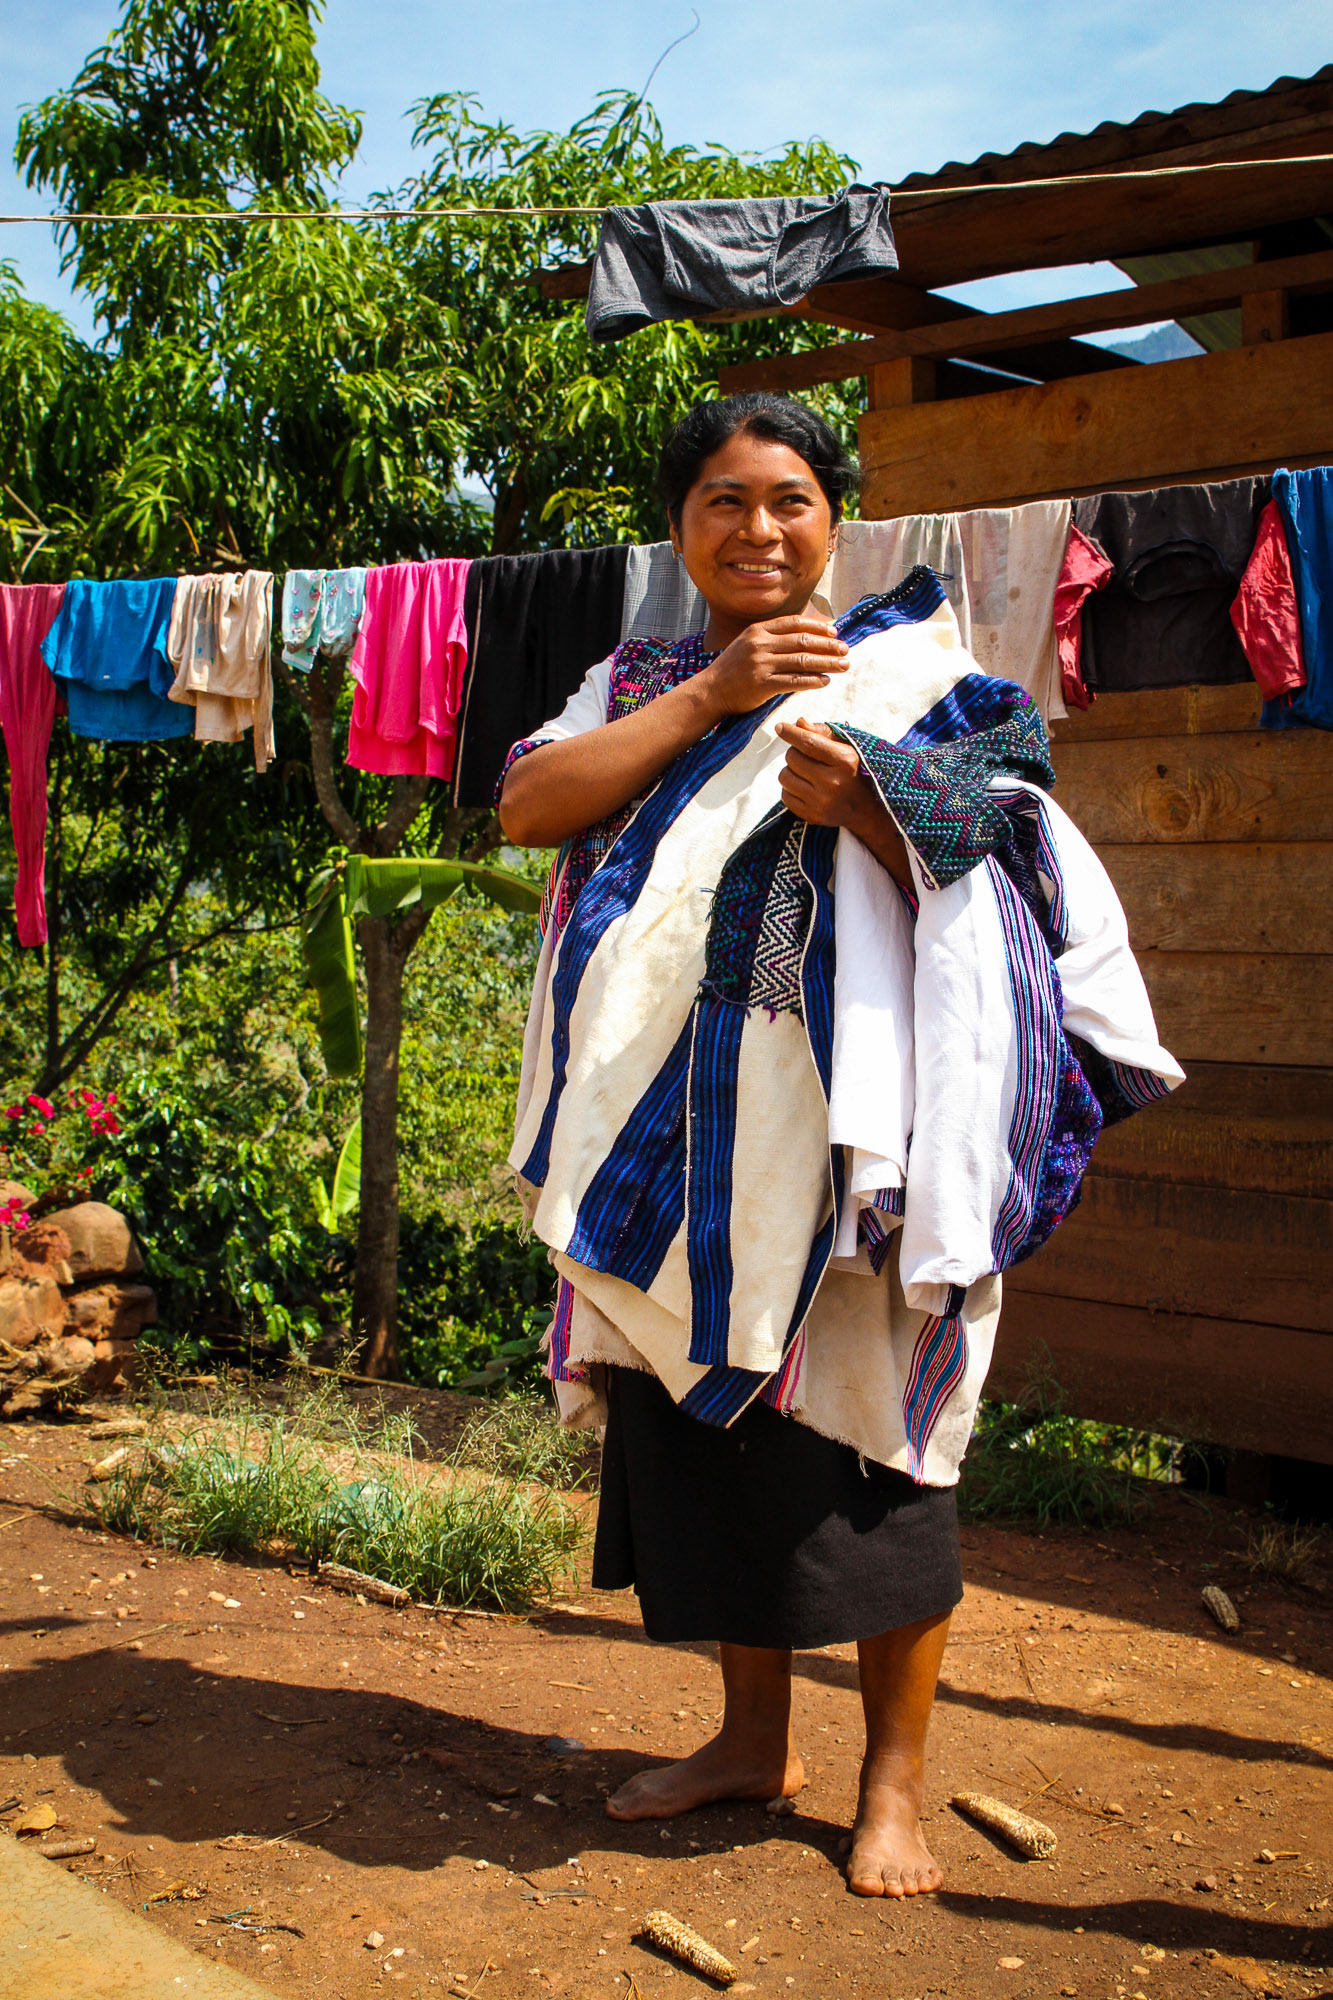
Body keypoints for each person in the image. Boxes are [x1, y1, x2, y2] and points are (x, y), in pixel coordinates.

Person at [498, 393, 1180, 1897]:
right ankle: (751, 1742)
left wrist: (875, 807)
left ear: (833, 520)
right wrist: (710, 699)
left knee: (878, 1446)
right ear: (680, 526)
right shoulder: (637, 679)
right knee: (706, 1439)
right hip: (673, 1143)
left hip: (856, 1143)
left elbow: (1024, 872)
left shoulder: (927, 679)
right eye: (723, 501)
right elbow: (528, 805)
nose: (757, 528)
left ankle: (894, 1788)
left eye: (789, 499)